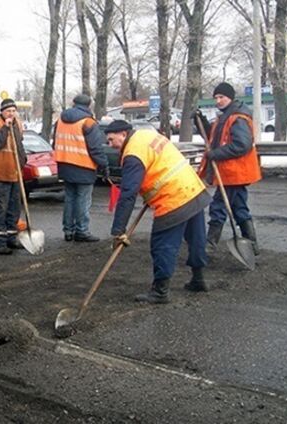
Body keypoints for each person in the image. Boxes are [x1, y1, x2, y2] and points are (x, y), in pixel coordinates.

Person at [104, 120, 212, 304]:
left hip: (174, 198)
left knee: (163, 245)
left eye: (111, 140)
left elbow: (128, 193)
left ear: (123, 134)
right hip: (193, 189)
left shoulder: (133, 153)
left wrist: (118, 229)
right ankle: (198, 278)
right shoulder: (147, 135)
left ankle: (160, 291)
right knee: (196, 239)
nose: (110, 145)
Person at [196, 82, 262, 255]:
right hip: (230, 173)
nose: (218, 100)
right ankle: (252, 244)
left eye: (221, 97)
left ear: (230, 98)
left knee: (218, 207)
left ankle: (209, 245)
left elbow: (242, 145)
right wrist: (201, 122)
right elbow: (215, 136)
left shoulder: (238, 117)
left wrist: (215, 154)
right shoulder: (225, 116)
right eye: (216, 97)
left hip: (235, 172)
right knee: (239, 207)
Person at [54, 93, 109, 242]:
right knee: (83, 200)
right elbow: (96, 148)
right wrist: (104, 165)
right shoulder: (88, 122)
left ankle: (68, 231)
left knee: (70, 199)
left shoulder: (60, 120)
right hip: (83, 166)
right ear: (89, 105)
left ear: (73, 103)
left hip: (65, 164)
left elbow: (55, 142)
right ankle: (82, 231)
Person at [0, 98, 27, 255]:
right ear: (2, 111)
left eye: (13, 110)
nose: (11, 113)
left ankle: (12, 238)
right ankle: (0, 242)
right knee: (0, 210)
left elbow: (19, 144)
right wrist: (5, 127)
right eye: (8, 111)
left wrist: (23, 160)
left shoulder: (18, 123)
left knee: (14, 209)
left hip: (14, 172)